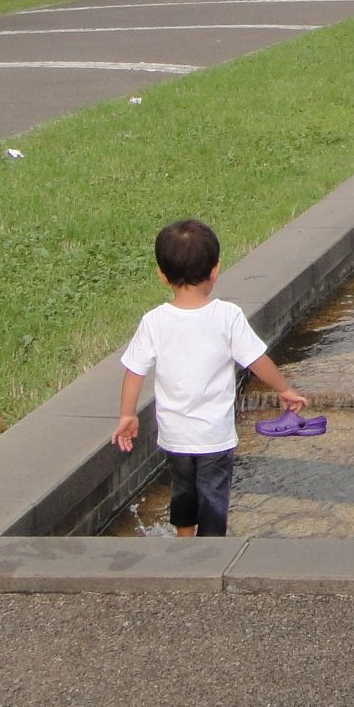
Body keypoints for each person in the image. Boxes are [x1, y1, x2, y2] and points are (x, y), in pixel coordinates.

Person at [112, 218, 306, 538]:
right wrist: (284, 389)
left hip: (175, 434)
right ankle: (211, 554)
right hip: (214, 435)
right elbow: (257, 360)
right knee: (214, 496)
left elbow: (134, 370)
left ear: (162, 275)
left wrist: (127, 414)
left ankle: (185, 544)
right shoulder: (226, 316)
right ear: (215, 270)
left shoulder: (154, 321)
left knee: (183, 490)